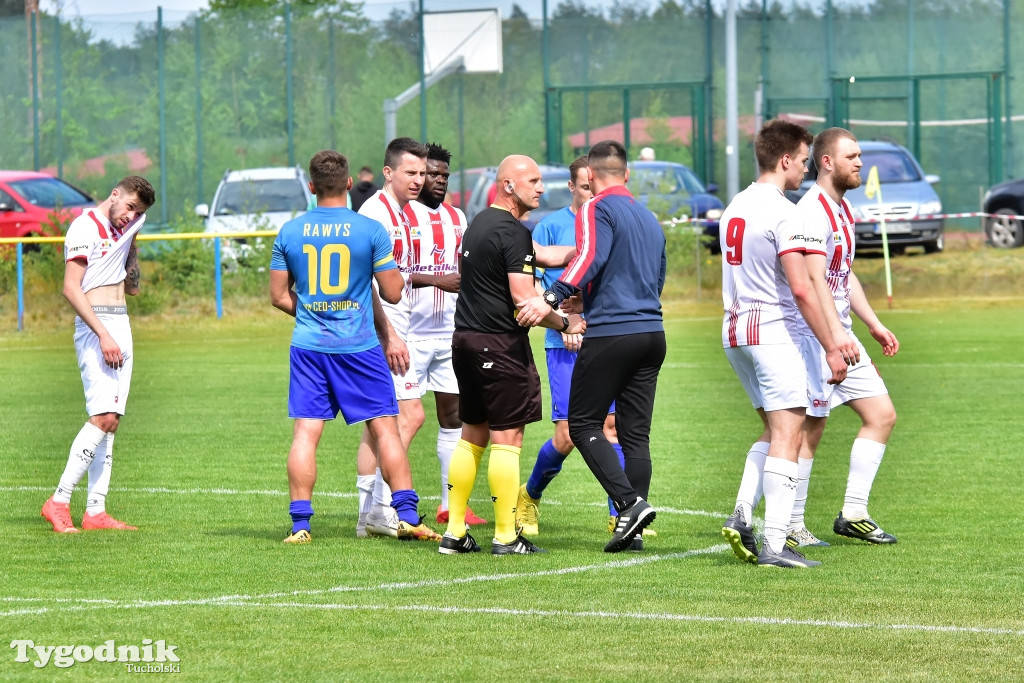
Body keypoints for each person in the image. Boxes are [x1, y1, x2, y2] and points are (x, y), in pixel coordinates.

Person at [269, 149, 438, 544]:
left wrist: (315, 312)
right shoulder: (368, 230)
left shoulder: (290, 232)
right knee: (385, 431)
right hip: (359, 347)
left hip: (310, 346)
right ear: (348, 184)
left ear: (311, 187)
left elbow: (279, 296)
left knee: (306, 434)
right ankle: (409, 515)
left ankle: (300, 525)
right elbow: (394, 293)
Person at [716, 119, 857, 569]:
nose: (803, 169)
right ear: (784, 160)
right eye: (800, 161)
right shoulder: (784, 211)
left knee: (776, 430)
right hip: (773, 331)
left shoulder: (735, 205)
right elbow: (802, 289)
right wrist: (833, 344)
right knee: (789, 434)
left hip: (735, 329)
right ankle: (776, 543)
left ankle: (742, 514)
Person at [517, 140, 666, 554]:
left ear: (593, 178)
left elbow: (588, 258)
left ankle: (629, 504)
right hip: (651, 332)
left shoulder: (595, 209)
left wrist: (551, 297)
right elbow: (656, 276)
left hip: (611, 334)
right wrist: (595, 299)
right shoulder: (648, 216)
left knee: (581, 426)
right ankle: (631, 530)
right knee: (636, 436)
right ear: (627, 174)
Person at [439, 154, 584, 556]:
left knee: (472, 435)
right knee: (508, 439)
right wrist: (565, 324)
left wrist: (585, 249)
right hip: (498, 345)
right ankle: (506, 536)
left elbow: (547, 256)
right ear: (508, 185)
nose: (541, 187)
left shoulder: (480, 224)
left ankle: (454, 533)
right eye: (533, 181)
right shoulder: (514, 233)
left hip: (464, 341)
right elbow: (525, 303)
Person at [789, 127, 899, 547]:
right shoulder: (813, 209)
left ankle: (853, 512)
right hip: (818, 338)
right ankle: (793, 525)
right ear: (826, 161)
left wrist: (873, 323)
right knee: (809, 430)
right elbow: (814, 280)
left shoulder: (842, 208)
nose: (860, 162)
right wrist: (833, 338)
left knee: (881, 415)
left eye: (859, 155)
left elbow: (842, 274)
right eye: (851, 156)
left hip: (844, 336)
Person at [41, 175, 155, 533]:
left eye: (138, 211)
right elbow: (70, 288)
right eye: (130, 206)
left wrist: (132, 247)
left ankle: (95, 511)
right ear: (115, 194)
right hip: (96, 327)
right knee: (102, 417)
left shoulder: (134, 221)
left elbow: (132, 285)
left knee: (112, 421)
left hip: (121, 323)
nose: (131, 215)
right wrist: (103, 334)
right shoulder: (83, 228)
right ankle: (58, 501)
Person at [352, 137, 437, 540]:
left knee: (379, 423)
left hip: (397, 329)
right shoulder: (376, 214)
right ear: (388, 173)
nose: (419, 180)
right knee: (409, 416)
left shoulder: (404, 212)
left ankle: (368, 512)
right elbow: (367, 283)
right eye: (411, 172)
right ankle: (383, 508)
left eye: (422, 173)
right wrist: (389, 337)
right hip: (383, 332)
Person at [402, 141, 486, 527]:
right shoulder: (403, 216)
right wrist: (436, 280)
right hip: (409, 335)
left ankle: (450, 504)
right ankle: (388, 505)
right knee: (402, 421)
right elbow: (390, 273)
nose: (436, 180)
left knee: (454, 418)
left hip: (449, 334)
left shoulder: (458, 217)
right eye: (429, 174)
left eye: (442, 175)